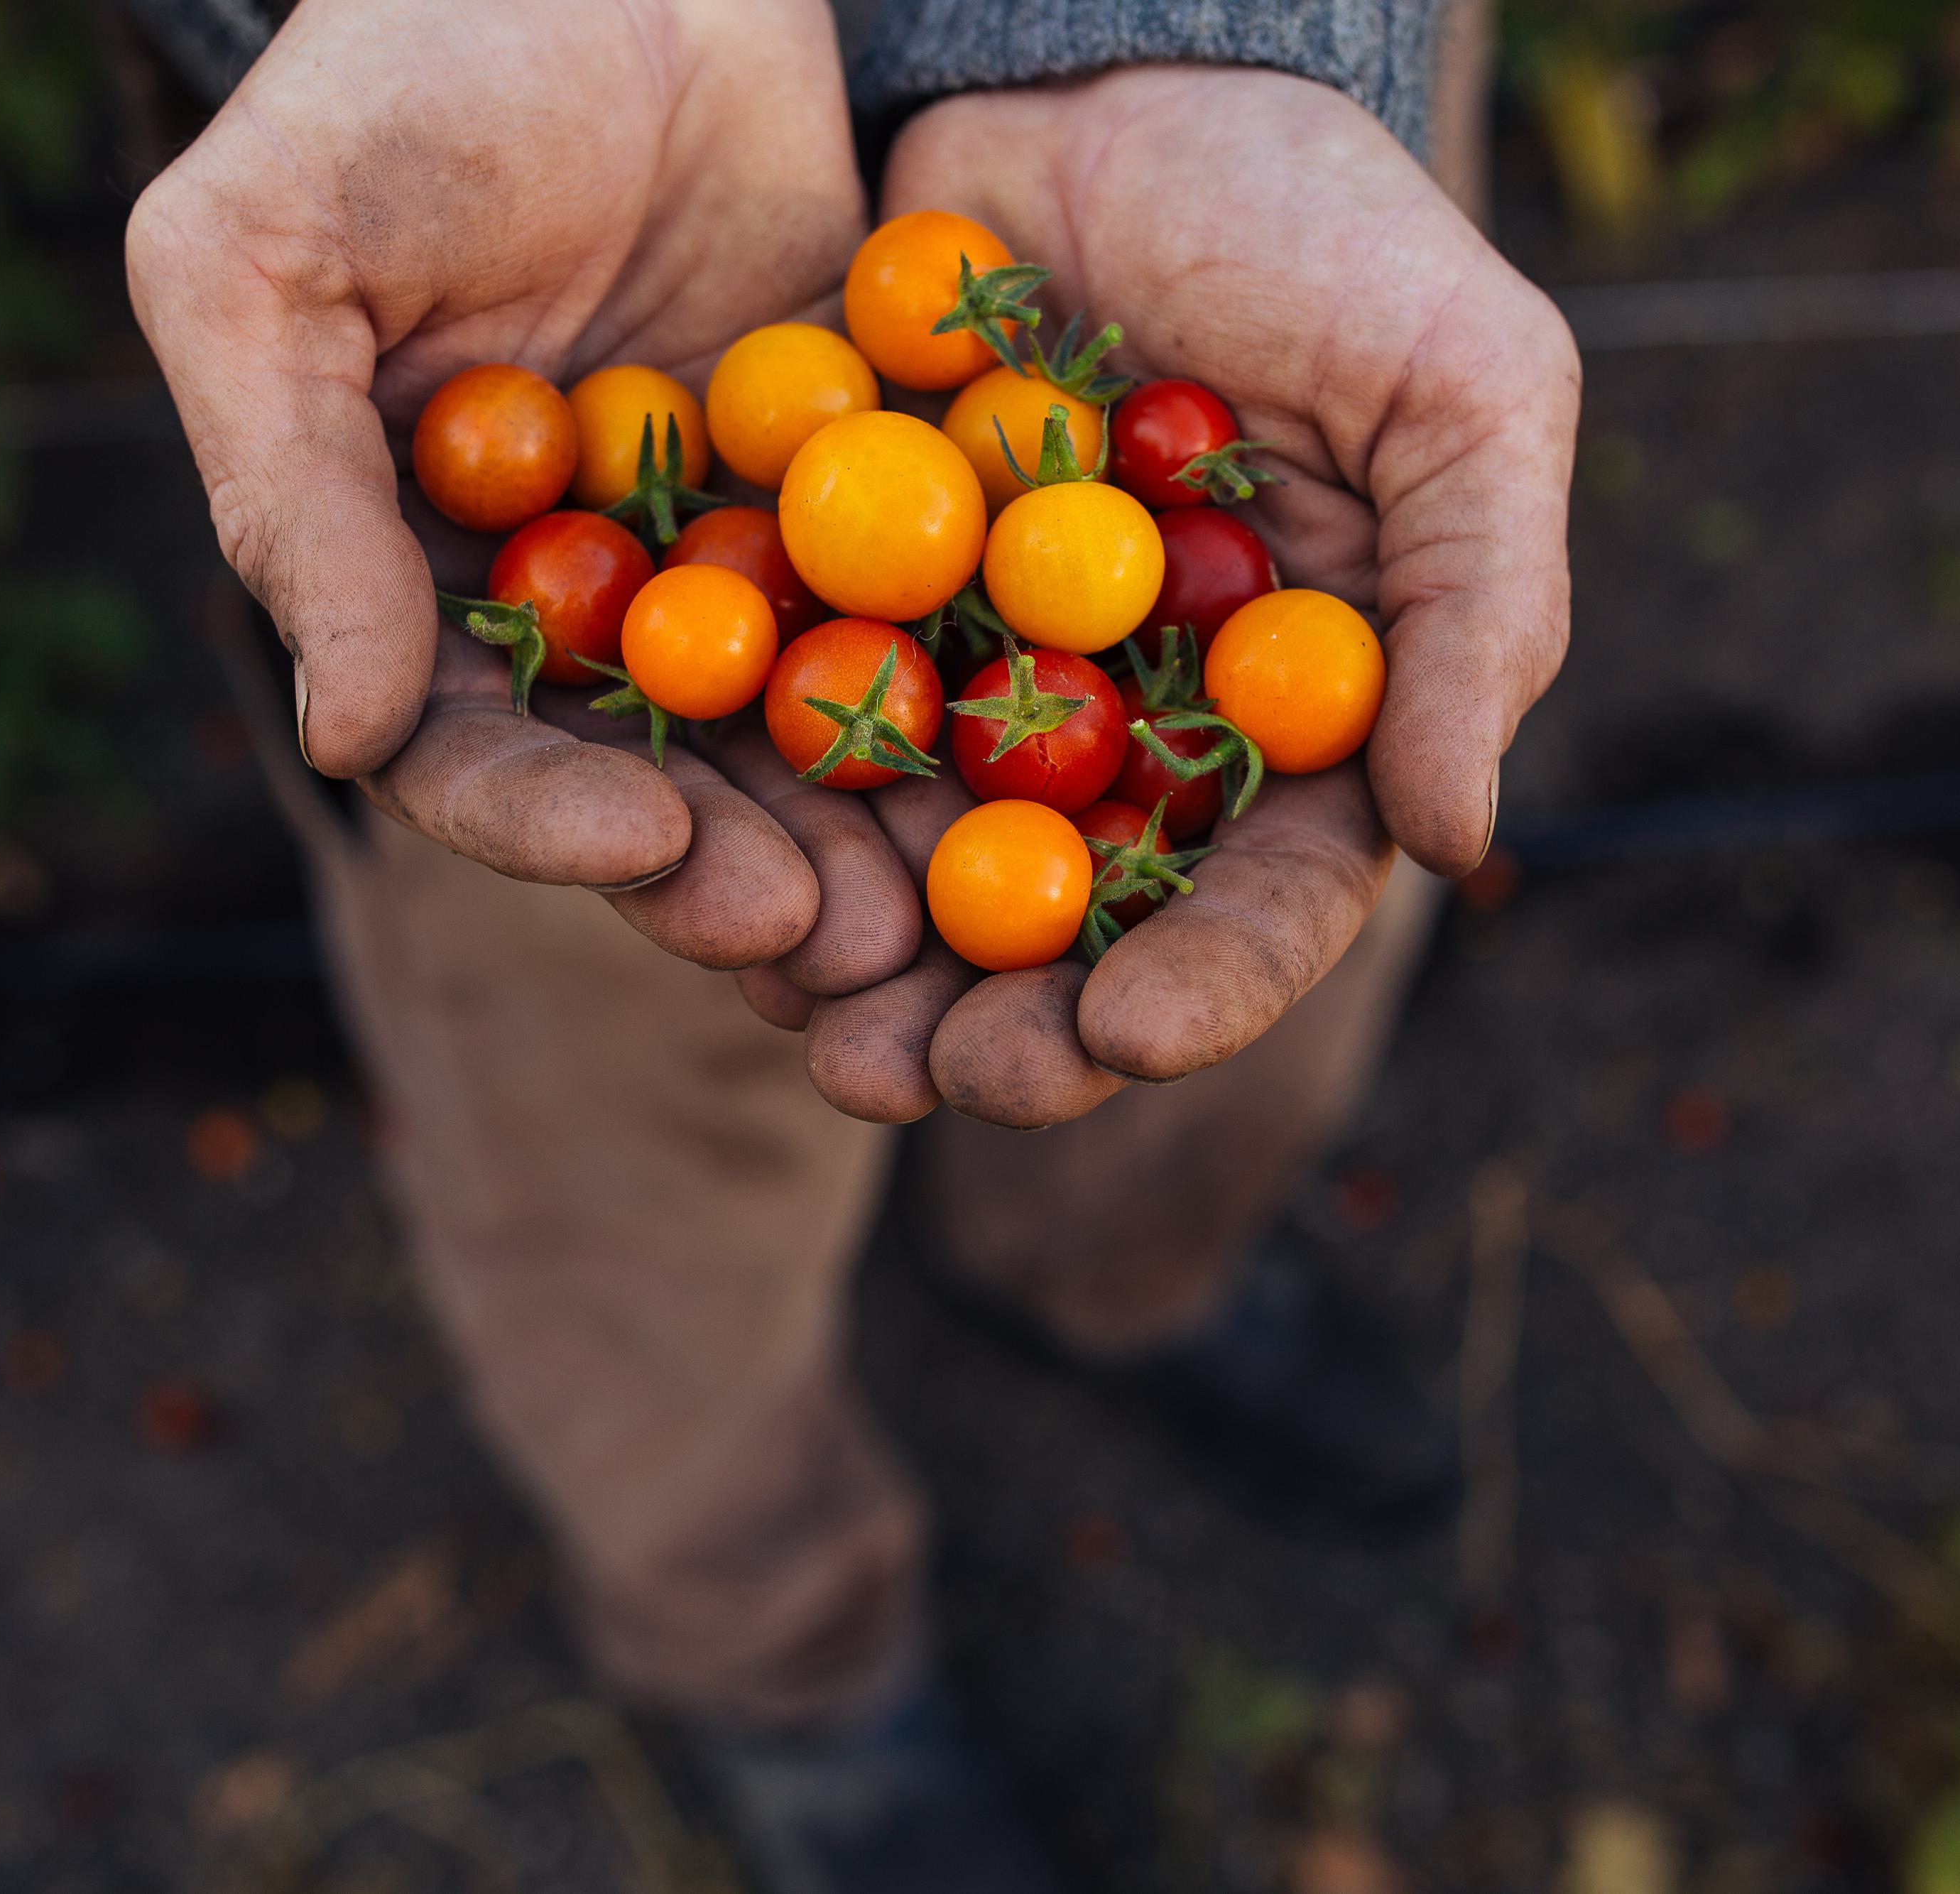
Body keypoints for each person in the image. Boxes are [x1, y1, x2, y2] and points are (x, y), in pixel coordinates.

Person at [122, 2, 1577, 1887]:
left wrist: (1215, 31)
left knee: (1248, 942)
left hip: (1254, 140)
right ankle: (777, 1650)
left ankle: (1128, 1269)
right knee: (616, 1118)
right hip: (544, 232)